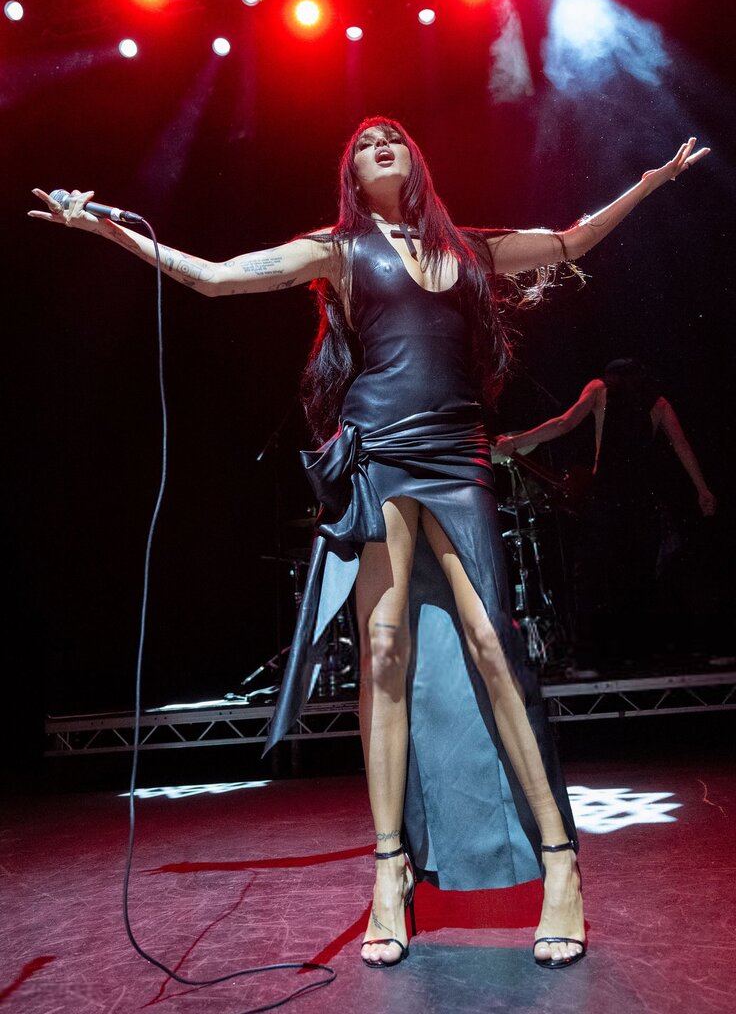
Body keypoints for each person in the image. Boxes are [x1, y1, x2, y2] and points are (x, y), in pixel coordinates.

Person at [30, 123, 709, 971]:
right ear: (351, 172)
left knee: (494, 644)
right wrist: (106, 228)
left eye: (395, 137)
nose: (382, 143)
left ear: (416, 158)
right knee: (383, 649)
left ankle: (561, 864)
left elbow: (571, 240)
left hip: (456, 453)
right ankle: (390, 871)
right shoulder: (338, 249)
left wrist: (648, 183)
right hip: (377, 452)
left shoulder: (470, 248)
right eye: (365, 142)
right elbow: (215, 277)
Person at [495, 359, 717, 675]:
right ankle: (640, 657)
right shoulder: (659, 403)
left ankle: (593, 659)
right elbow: (681, 445)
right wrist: (702, 489)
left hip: (607, 496)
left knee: (593, 576)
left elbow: (564, 423)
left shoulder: (599, 388)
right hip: (642, 500)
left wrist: (515, 442)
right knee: (637, 579)